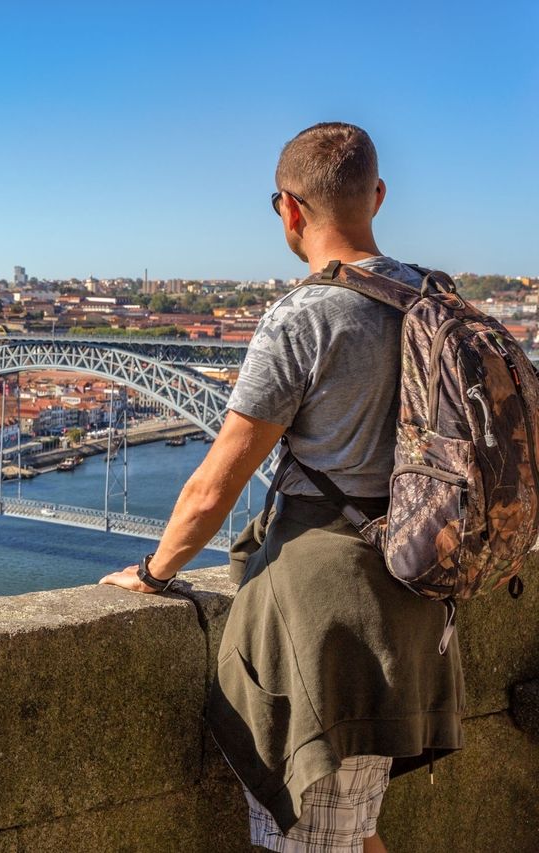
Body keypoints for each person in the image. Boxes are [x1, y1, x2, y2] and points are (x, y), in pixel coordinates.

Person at [99, 122, 463, 853]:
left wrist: (153, 570)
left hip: (329, 631)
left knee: (313, 841)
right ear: (378, 196)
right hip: (421, 607)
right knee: (353, 832)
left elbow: (216, 482)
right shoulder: (436, 300)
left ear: (289, 210)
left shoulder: (304, 315)